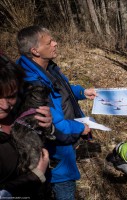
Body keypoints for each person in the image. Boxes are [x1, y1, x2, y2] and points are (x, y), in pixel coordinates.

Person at [16, 25, 97, 200]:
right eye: (49, 42)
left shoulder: (47, 67)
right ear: (35, 51)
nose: (56, 43)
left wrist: (82, 92)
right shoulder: (33, 86)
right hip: (56, 157)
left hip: (59, 150)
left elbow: (61, 90)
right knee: (64, 191)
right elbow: (56, 126)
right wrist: (80, 128)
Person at [0, 52, 51, 198]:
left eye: (10, 96)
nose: (4, 105)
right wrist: (35, 177)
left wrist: (46, 127)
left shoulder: (19, 109)